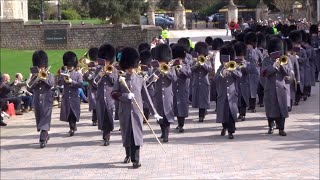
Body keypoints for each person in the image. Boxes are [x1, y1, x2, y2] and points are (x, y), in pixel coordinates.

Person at [111, 47, 162, 169]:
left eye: (132, 67)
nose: (131, 70)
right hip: (124, 112)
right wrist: (125, 96)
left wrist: (154, 113)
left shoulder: (140, 79)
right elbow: (113, 94)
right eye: (129, 68)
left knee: (137, 136)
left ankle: (136, 160)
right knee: (127, 135)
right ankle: (128, 154)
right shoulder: (120, 79)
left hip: (137, 113)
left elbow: (146, 97)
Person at [261, 37, 290, 136]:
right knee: (270, 109)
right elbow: (264, 73)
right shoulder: (266, 59)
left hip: (281, 88)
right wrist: (274, 66)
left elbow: (288, 72)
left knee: (282, 108)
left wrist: (281, 65)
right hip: (270, 88)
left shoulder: (284, 58)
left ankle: (281, 128)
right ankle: (271, 126)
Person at [27, 50, 55, 148]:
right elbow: (28, 88)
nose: (40, 68)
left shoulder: (50, 75)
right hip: (37, 101)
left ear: (45, 66)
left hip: (47, 100)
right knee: (39, 119)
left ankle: (42, 137)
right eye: (39, 67)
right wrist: (35, 78)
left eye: (42, 67)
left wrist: (44, 78)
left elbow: (51, 84)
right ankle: (45, 135)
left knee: (45, 119)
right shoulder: (33, 76)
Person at [214, 45, 242, 139]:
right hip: (222, 95)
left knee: (231, 114)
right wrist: (222, 73)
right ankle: (224, 127)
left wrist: (232, 70)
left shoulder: (235, 66)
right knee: (223, 113)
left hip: (232, 94)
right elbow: (215, 78)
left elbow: (239, 76)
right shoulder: (220, 68)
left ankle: (231, 131)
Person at [152, 43, 177, 142]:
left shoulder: (171, 67)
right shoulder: (154, 67)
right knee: (160, 114)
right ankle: (163, 132)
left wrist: (167, 72)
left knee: (167, 114)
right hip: (158, 94)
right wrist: (154, 76)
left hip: (167, 94)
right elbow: (149, 80)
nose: (162, 62)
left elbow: (174, 78)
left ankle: (166, 135)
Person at [94, 43, 117, 146]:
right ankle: (105, 134)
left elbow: (114, 82)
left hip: (110, 97)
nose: (105, 62)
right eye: (104, 60)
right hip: (100, 97)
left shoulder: (114, 70)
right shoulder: (98, 70)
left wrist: (108, 74)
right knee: (102, 117)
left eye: (107, 60)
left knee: (108, 116)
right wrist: (100, 74)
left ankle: (107, 137)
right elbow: (94, 82)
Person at [58, 51, 83, 136]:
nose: (69, 67)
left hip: (74, 96)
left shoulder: (78, 74)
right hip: (66, 96)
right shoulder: (64, 73)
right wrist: (62, 77)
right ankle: (71, 127)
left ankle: (73, 127)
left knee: (73, 113)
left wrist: (72, 81)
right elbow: (59, 84)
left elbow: (80, 84)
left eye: (70, 65)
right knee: (68, 113)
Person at [191, 42, 212, 122]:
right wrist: (196, 64)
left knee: (203, 100)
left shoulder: (207, 60)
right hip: (196, 83)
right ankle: (202, 113)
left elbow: (209, 69)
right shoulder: (195, 60)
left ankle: (201, 116)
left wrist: (203, 64)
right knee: (199, 100)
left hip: (204, 82)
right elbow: (191, 70)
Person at [172, 44, 191, 133]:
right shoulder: (171, 63)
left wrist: (181, 68)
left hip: (183, 88)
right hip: (174, 88)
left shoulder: (185, 63)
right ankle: (178, 123)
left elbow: (189, 74)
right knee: (176, 106)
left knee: (182, 106)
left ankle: (181, 125)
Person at [83, 47, 99, 126]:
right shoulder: (89, 67)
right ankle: (94, 119)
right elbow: (85, 78)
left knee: (100, 104)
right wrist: (87, 72)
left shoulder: (101, 66)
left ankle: (99, 118)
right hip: (92, 88)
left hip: (99, 87)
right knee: (94, 105)